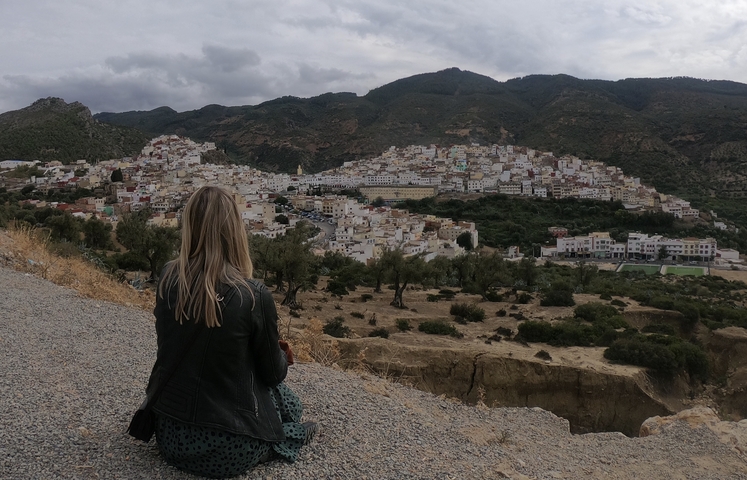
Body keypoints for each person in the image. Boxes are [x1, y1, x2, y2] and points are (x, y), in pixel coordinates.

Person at [144, 186, 317, 479]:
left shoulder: (168, 277)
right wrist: (279, 354)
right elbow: (273, 375)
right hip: (229, 449)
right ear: (234, 230)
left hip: (170, 435)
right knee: (288, 402)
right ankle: (287, 438)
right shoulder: (252, 295)